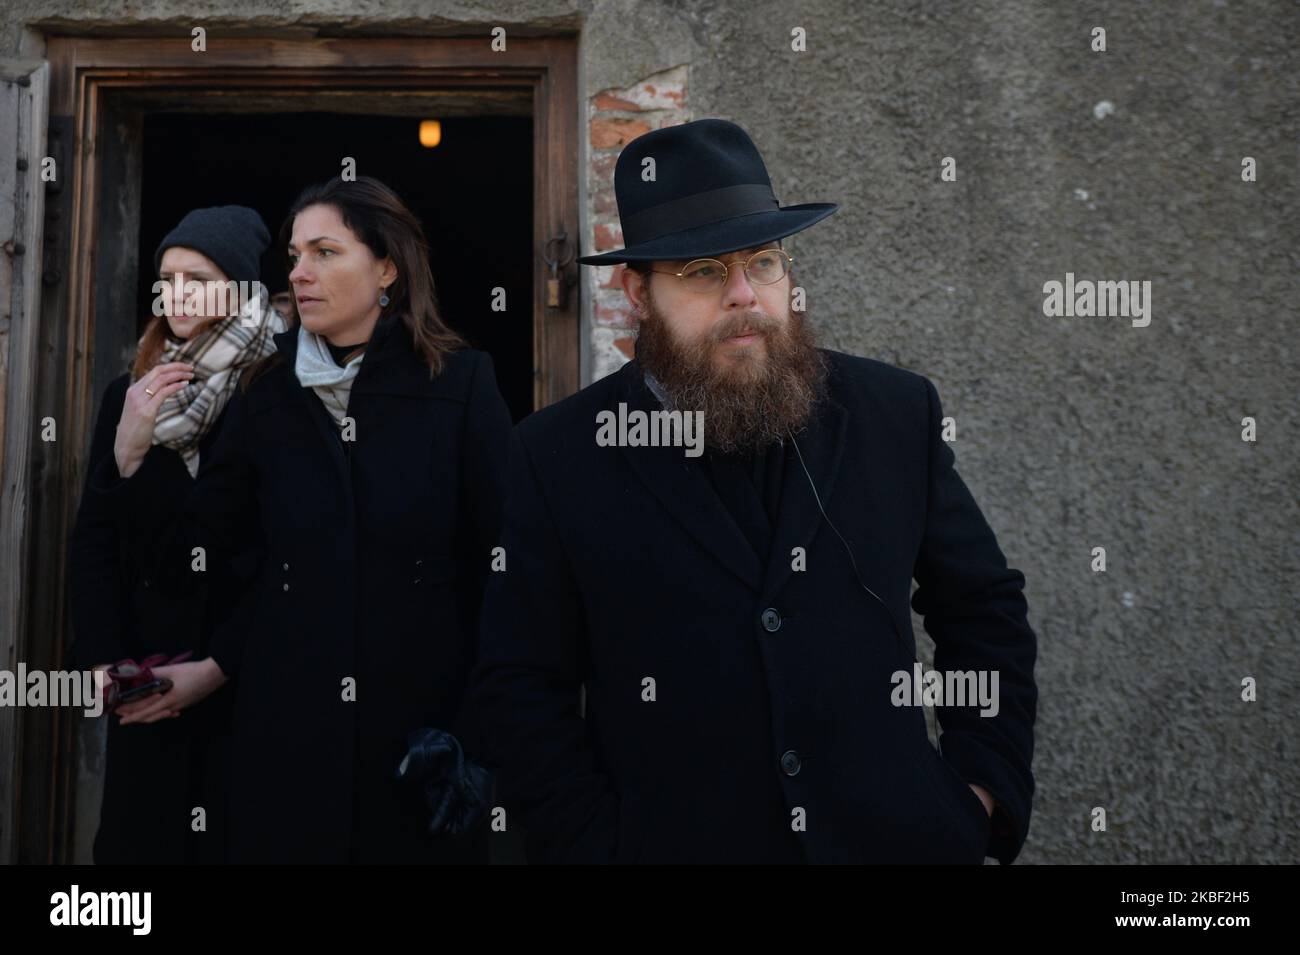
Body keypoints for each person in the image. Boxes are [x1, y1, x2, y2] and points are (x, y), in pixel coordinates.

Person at [471, 118, 1038, 864]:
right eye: (704, 270)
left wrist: (977, 790)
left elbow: (983, 610)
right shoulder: (555, 456)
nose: (745, 295)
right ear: (636, 290)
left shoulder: (893, 413)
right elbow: (520, 688)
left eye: (763, 262)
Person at [85, 177, 512, 863]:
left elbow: (510, 575)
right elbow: (195, 557)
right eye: (293, 254)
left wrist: (473, 737)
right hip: (280, 753)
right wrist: (129, 459)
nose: (298, 272)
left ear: (386, 269)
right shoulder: (266, 393)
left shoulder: (462, 386)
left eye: (323, 251)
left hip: (418, 755)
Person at [68, 205, 281, 863]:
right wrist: (107, 664)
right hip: (149, 681)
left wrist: (218, 666)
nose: (176, 292)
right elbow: (96, 543)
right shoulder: (131, 393)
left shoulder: (275, 392)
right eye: (167, 276)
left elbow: (276, 551)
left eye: (197, 276)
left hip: (242, 681)